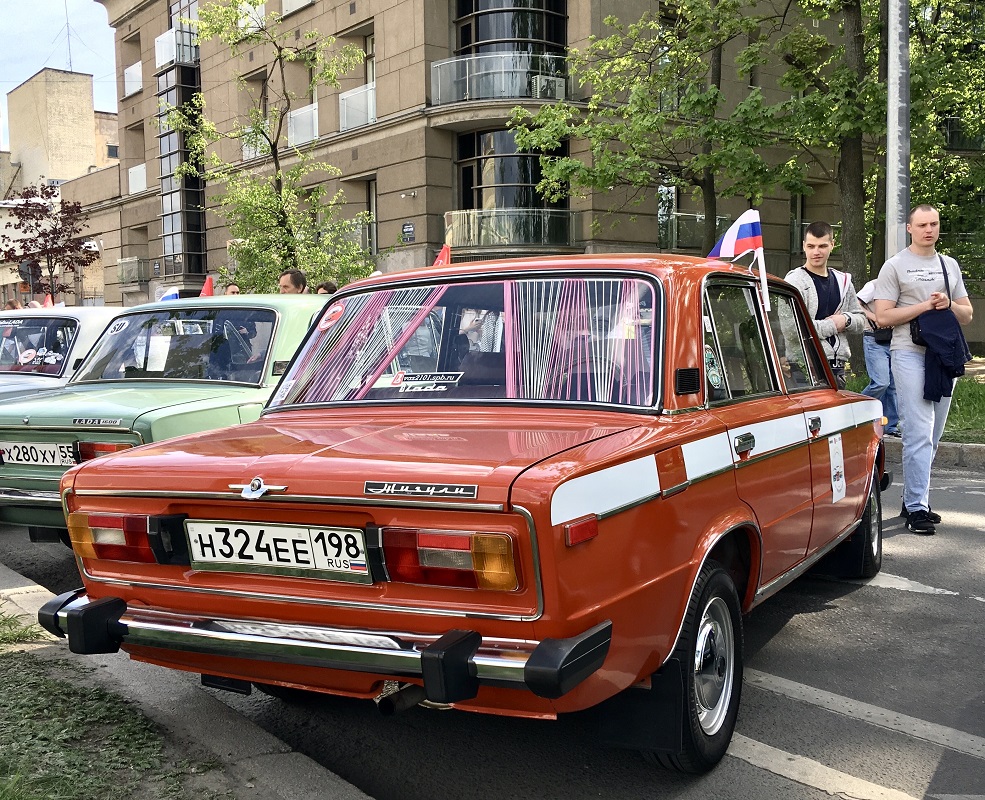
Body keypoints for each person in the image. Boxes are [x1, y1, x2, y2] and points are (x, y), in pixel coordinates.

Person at [873, 203, 974, 535]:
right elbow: (883, 317)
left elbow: (967, 314)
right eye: (922, 225)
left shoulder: (949, 265)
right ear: (910, 229)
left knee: (933, 433)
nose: (929, 230)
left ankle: (913, 498)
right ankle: (917, 508)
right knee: (918, 430)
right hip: (909, 354)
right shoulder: (895, 266)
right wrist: (924, 306)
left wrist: (949, 304)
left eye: (934, 224)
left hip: (943, 356)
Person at [783, 221, 865, 390]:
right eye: (811, 246)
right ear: (804, 246)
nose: (816, 252)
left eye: (822, 246)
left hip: (838, 365)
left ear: (832, 245)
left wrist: (846, 320)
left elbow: (861, 320)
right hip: (804, 365)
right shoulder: (794, 281)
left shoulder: (843, 281)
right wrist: (834, 324)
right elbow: (792, 329)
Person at [856, 279, 901, 437]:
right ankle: (855, 409)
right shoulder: (874, 285)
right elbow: (855, 303)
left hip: (895, 339)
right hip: (873, 338)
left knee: (893, 386)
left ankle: (890, 426)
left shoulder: (902, 287)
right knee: (881, 382)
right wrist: (875, 317)